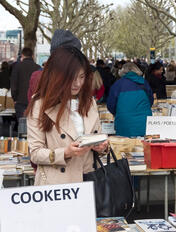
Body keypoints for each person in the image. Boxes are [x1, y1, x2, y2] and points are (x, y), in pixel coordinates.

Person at [26, 46, 109, 186]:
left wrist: (103, 147)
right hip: (57, 187)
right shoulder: (40, 105)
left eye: (82, 77)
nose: (77, 83)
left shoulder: (89, 102)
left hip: (90, 181)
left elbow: (98, 136)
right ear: (57, 76)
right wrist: (65, 152)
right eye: (72, 78)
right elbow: (35, 153)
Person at [107, 62, 153, 137]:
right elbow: (150, 100)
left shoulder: (118, 84)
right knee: (143, 146)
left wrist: (119, 113)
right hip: (144, 121)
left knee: (125, 146)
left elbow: (111, 105)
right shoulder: (144, 82)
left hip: (124, 122)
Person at [10, 47, 40, 119]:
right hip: (35, 101)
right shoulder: (38, 67)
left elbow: (13, 84)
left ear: (22, 55)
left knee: (22, 126)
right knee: (33, 126)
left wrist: (15, 98)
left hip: (20, 101)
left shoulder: (17, 67)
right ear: (32, 55)